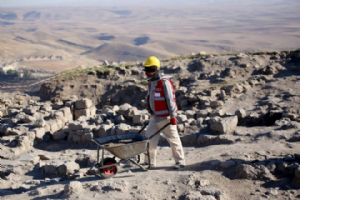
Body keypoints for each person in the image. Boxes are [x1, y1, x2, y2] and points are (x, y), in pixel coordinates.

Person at [143, 56, 185, 169]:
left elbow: (170, 99)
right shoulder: (151, 82)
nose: (148, 72)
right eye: (146, 69)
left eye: (151, 69)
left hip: (166, 117)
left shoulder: (164, 82)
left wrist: (173, 116)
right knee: (149, 139)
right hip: (155, 117)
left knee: (173, 139)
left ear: (157, 69)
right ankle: (149, 162)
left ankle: (180, 162)